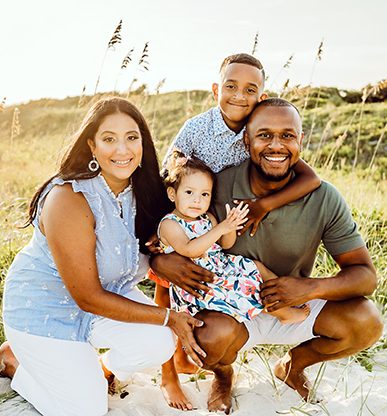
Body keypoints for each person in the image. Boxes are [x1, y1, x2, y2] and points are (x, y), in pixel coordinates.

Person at [151, 97, 383, 414]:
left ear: (301, 140)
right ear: (246, 140)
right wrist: (160, 261)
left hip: (290, 302)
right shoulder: (213, 186)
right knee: (210, 337)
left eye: (287, 135)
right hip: (228, 309)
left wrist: (310, 288)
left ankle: (292, 366)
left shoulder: (324, 197)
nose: (276, 145)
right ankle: (223, 375)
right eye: (264, 135)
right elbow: (165, 232)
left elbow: (365, 276)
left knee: (366, 321)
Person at [0, 97, 206, 416]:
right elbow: (87, 297)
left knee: (160, 342)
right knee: (86, 411)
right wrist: (169, 316)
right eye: (109, 139)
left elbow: (155, 249)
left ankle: (100, 369)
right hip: (45, 311)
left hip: (108, 296)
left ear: (143, 143)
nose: (122, 149)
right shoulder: (67, 198)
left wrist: (162, 261)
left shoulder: (147, 193)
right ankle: (14, 364)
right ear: (91, 146)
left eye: (132, 138)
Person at [150, 53, 321, 410]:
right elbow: (168, 176)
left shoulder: (260, 127)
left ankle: (216, 370)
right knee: (167, 291)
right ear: (216, 89)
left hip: (222, 228)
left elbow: (311, 178)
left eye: (250, 89)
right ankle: (168, 374)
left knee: (226, 283)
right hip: (185, 225)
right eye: (231, 86)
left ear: (261, 95)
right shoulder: (195, 129)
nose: (239, 96)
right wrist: (160, 247)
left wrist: (262, 207)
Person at [160, 150, 310, 325]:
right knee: (245, 287)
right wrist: (220, 229)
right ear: (172, 194)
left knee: (256, 266)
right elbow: (189, 250)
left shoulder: (207, 218)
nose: (197, 200)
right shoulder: (170, 224)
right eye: (189, 192)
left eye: (204, 194)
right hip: (199, 281)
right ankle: (283, 313)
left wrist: (229, 227)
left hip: (221, 266)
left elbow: (225, 244)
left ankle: (284, 294)